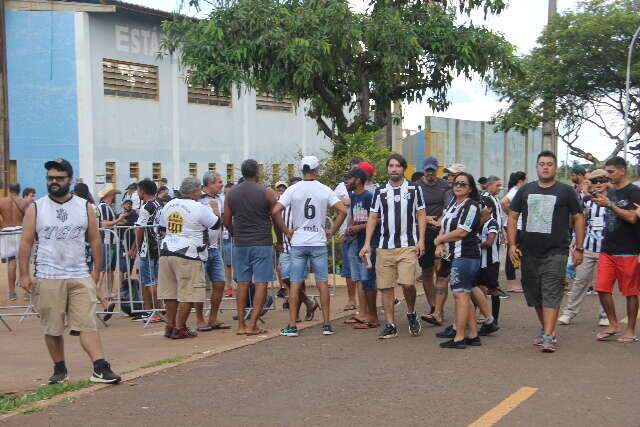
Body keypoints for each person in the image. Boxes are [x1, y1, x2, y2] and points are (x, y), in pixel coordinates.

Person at [19, 158, 121, 384]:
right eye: (50, 178)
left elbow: (95, 239)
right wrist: (24, 274)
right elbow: (26, 242)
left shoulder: (85, 207)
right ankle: (59, 369)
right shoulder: (37, 207)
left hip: (79, 274)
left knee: (87, 322)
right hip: (48, 276)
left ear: (70, 180)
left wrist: (97, 270)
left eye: (59, 178)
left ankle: (100, 366)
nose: (54, 182)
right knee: (53, 327)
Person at [508, 151, 585, 353]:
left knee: (551, 291)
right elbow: (513, 217)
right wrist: (511, 245)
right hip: (529, 252)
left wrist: (579, 247)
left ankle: (549, 336)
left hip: (556, 252)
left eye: (549, 164)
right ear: (536, 167)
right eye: (542, 164)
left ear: (555, 168)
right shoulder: (525, 190)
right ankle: (546, 328)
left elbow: (578, 218)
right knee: (535, 294)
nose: (545, 167)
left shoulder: (566, 191)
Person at [275, 156, 347, 337]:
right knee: (322, 282)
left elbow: (275, 210)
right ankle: (327, 324)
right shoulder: (324, 189)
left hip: (298, 241)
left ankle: (292, 325)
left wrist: (287, 231)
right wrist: (332, 230)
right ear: (316, 170)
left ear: (302, 170)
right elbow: (343, 210)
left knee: (295, 283)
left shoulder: (293, 189)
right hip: (318, 240)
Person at [360, 154, 427, 339]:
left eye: (398, 165)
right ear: (387, 168)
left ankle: (411, 312)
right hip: (384, 246)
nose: (394, 169)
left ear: (404, 168)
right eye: (391, 165)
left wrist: (421, 240)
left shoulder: (414, 189)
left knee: (407, 284)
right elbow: (372, 217)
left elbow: (421, 214)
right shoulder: (380, 191)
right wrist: (367, 243)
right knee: (386, 287)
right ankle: (391, 324)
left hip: (408, 244)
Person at [158, 177, 220, 339]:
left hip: (167, 250)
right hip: (188, 253)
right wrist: (215, 210)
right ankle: (179, 328)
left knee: (170, 293)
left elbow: (162, 227)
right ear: (195, 191)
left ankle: (169, 325)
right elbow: (215, 224)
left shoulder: (169, 205)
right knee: (189, 293)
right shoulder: (199, 207)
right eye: (199, 190)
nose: (200, 192)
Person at [225, 159, 278, 335]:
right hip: (262, 242)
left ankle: (241, 325)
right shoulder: (267, 192)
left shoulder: (231, 194)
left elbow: (226, 220)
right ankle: (253, 324)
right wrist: (279, 239)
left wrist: (235, 233)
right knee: (261, 282)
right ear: (257, 173)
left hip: (241, 243)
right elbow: (276, 217)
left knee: (242, 283)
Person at [593, 157, 640, 343]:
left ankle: (630, 330)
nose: (608, 175)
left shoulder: (634, 192)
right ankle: (612, 324)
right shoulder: (611, 192)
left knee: (630, 292)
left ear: (622, 170)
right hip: (607, 248)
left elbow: (632, 218)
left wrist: (610, 205)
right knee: (601, 288)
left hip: (628, 250)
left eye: (611, 172)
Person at [434, 172, 483, 348]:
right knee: (464, 294)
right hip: (455, 255)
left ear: (470, 189)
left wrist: (440, 240)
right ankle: (472, 334)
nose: (458, 186)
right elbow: (443, 226)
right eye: (456, 183)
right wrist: (440, 243)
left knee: (460, 295)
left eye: (463, 184)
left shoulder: (472, 206)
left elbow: (462, 231)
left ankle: (459, 337)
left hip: (466, 255)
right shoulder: (453, 204)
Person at [558, 169, 608, 326]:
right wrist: (576, 244)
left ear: (607, 181)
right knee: (579, 280)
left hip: (607, 249)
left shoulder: (613, 200)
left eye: (602, 180)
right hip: (588, 247)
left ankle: (604, 314)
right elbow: (580, 222)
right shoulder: (587, 201)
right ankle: (569, 312)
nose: (598, 184)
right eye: (595, 181)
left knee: (603, 283)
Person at [275, 177, 318, 320]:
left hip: (300, 246)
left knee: (299, 280)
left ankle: (297, 314)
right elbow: (275, 220)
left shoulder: (305, 204)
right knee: (286, 278)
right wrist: (279, 240)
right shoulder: (282, 203)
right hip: (286, 246)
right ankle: (308, 302)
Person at [415, 156, 450, 326]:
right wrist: (424, 219)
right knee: (427, 271)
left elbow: (449, 206)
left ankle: (439, 309)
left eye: (432, 171)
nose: (430, 174)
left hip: (441, 232)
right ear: (423, 170)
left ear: (437, 170)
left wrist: (441, 220)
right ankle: (433, 306)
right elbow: (411, 210)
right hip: (423, 233)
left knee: (441, 270)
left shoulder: (444, 185)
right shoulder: (416, 187)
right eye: (427, 171)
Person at [195, 171, 231, 331]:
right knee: (200, 285)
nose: (221, 185)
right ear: (209, 184)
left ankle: (213, 318)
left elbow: (221, 221)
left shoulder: (220, 199)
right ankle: (199, 319)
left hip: (215, 247)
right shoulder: (197, 199)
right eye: (218, 182)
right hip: (199, 247)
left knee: (219, 283)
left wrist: (218, 213)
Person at [345, 167, 378, 329]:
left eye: (350, 178)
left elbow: (378, 219)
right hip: (354, 242)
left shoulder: (368, 197)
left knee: (367, 279)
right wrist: (348, 229)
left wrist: (360, 228)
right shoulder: (352, 196)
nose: (347, 182)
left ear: (358, 180)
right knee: (358, 278)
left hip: (367, 243)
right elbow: (352, 215)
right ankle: (362, 312)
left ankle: (369, 315)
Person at [133, 179, 163, 323]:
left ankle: (157, 311)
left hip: (147, 247)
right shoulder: (159, 204)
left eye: (138, 190)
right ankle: (153, 310)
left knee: (149, 281)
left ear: (143, 192)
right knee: (155, 280)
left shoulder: (146, 207)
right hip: (158, 246)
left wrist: (136, 248)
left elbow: (139, 228)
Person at [0, 183, 29, 301]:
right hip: (20, 232)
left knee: (11, 262)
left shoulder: (2, 202)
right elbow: (28, 218)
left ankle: (12, 293)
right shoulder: (24, 202)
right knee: (24, 262)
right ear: (19, 190)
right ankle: (27, 292)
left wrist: (3, 225)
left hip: (7, 232)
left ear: (8, 189)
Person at [501, 171, 527, 293]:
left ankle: (516, 281)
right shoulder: (516, 191)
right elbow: (503, 202)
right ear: (521, 181)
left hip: (518, 226)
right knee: (512, 253)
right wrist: (510, 213)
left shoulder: (516, 190)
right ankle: (511, 283)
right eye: (525, 180)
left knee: (518, 252)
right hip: (516, 227)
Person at [96, 185, 123, 300]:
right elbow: (104, 224)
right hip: (107, 241)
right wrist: (119, 220)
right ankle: (99, 292)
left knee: (109, 268)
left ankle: (108, 292)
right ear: (109, 195)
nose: (114, 197)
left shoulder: (106, 207)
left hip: (109, 240)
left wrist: (117, 221)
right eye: (113, 194)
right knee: (104, 268)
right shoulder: (104, 208)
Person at [221, 182, 234, 297]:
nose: (226, 195)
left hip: (236, 235)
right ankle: (228, 287)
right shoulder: (221, 202)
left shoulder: (237, 202)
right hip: (224, 237)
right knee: (227, 264)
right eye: (225, 193)